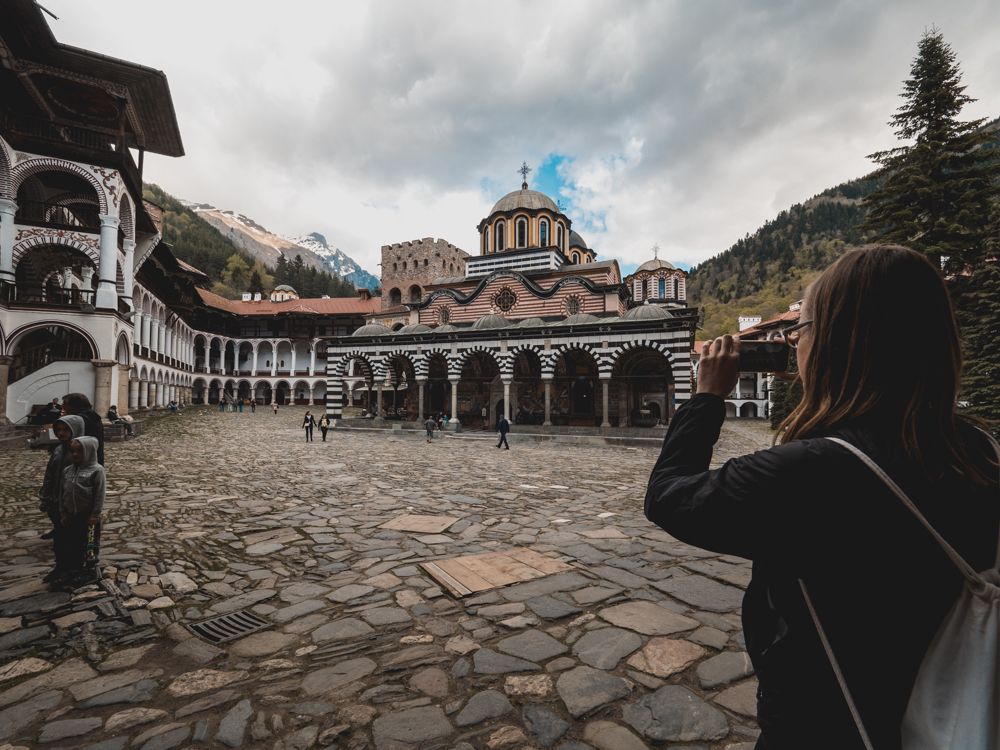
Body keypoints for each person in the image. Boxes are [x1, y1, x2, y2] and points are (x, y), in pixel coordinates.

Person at [644, 245, 1000, 749]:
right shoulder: (981, 450)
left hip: (832, 720)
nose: (792, 343)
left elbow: (668, 497)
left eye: (800, 331)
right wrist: (820, 384)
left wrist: (705, 398)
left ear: (838, 341)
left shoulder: (814, 472)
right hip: (957, 704)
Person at [38, 415, 85, 577]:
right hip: (56, 500)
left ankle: (75, 566)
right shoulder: (58, 450)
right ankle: (61, 566)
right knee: (60, 537)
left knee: (73, 537)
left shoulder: (82, 452)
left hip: (73, 502)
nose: (62, 433)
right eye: (59, 430)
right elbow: (49, 476)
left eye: (66, 430)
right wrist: (45, 498)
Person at [59, 436, 106, 586]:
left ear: (89, 451)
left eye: (80, 451)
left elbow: (100, 494)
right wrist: (63, 512)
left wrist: (95, 514)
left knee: (90, 543)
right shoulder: (67, 471)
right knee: (74, 542)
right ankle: (76, 570)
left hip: (88, 515)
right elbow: (62, 492)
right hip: (72, 513)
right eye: (72, 451)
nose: (75, 454)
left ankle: (91, 569)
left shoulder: (96, 471)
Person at [62, 393, 104, 467]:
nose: (63, 407)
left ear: (73, 405)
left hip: (81, 459)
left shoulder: (79, 419)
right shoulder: (92, 415)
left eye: (65, 404)